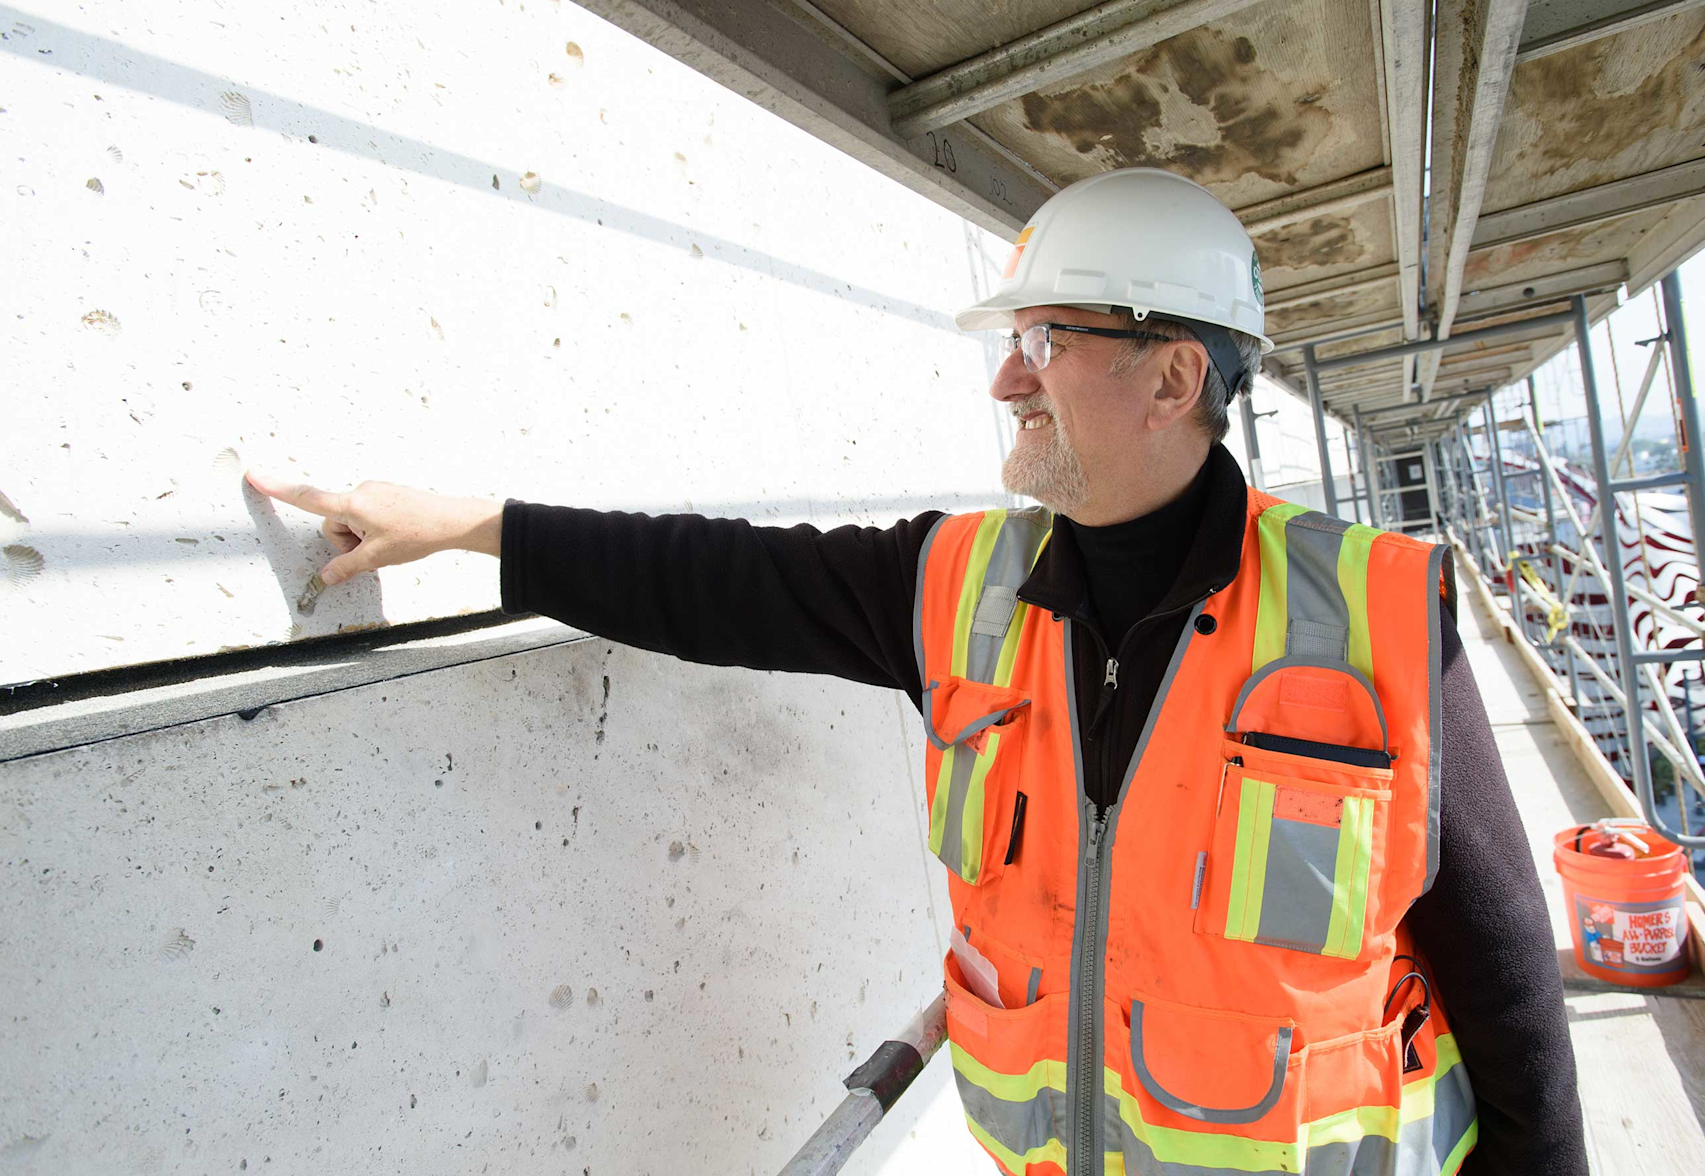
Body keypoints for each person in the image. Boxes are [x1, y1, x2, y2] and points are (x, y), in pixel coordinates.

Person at [249, 168, 1584, 1175]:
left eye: (1044, 340)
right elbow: (709, 578)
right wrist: (474, 529)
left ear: (1174, 376)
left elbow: (1510, 981)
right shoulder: (955, 588)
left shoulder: (1379, 617)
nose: (1006, 379)